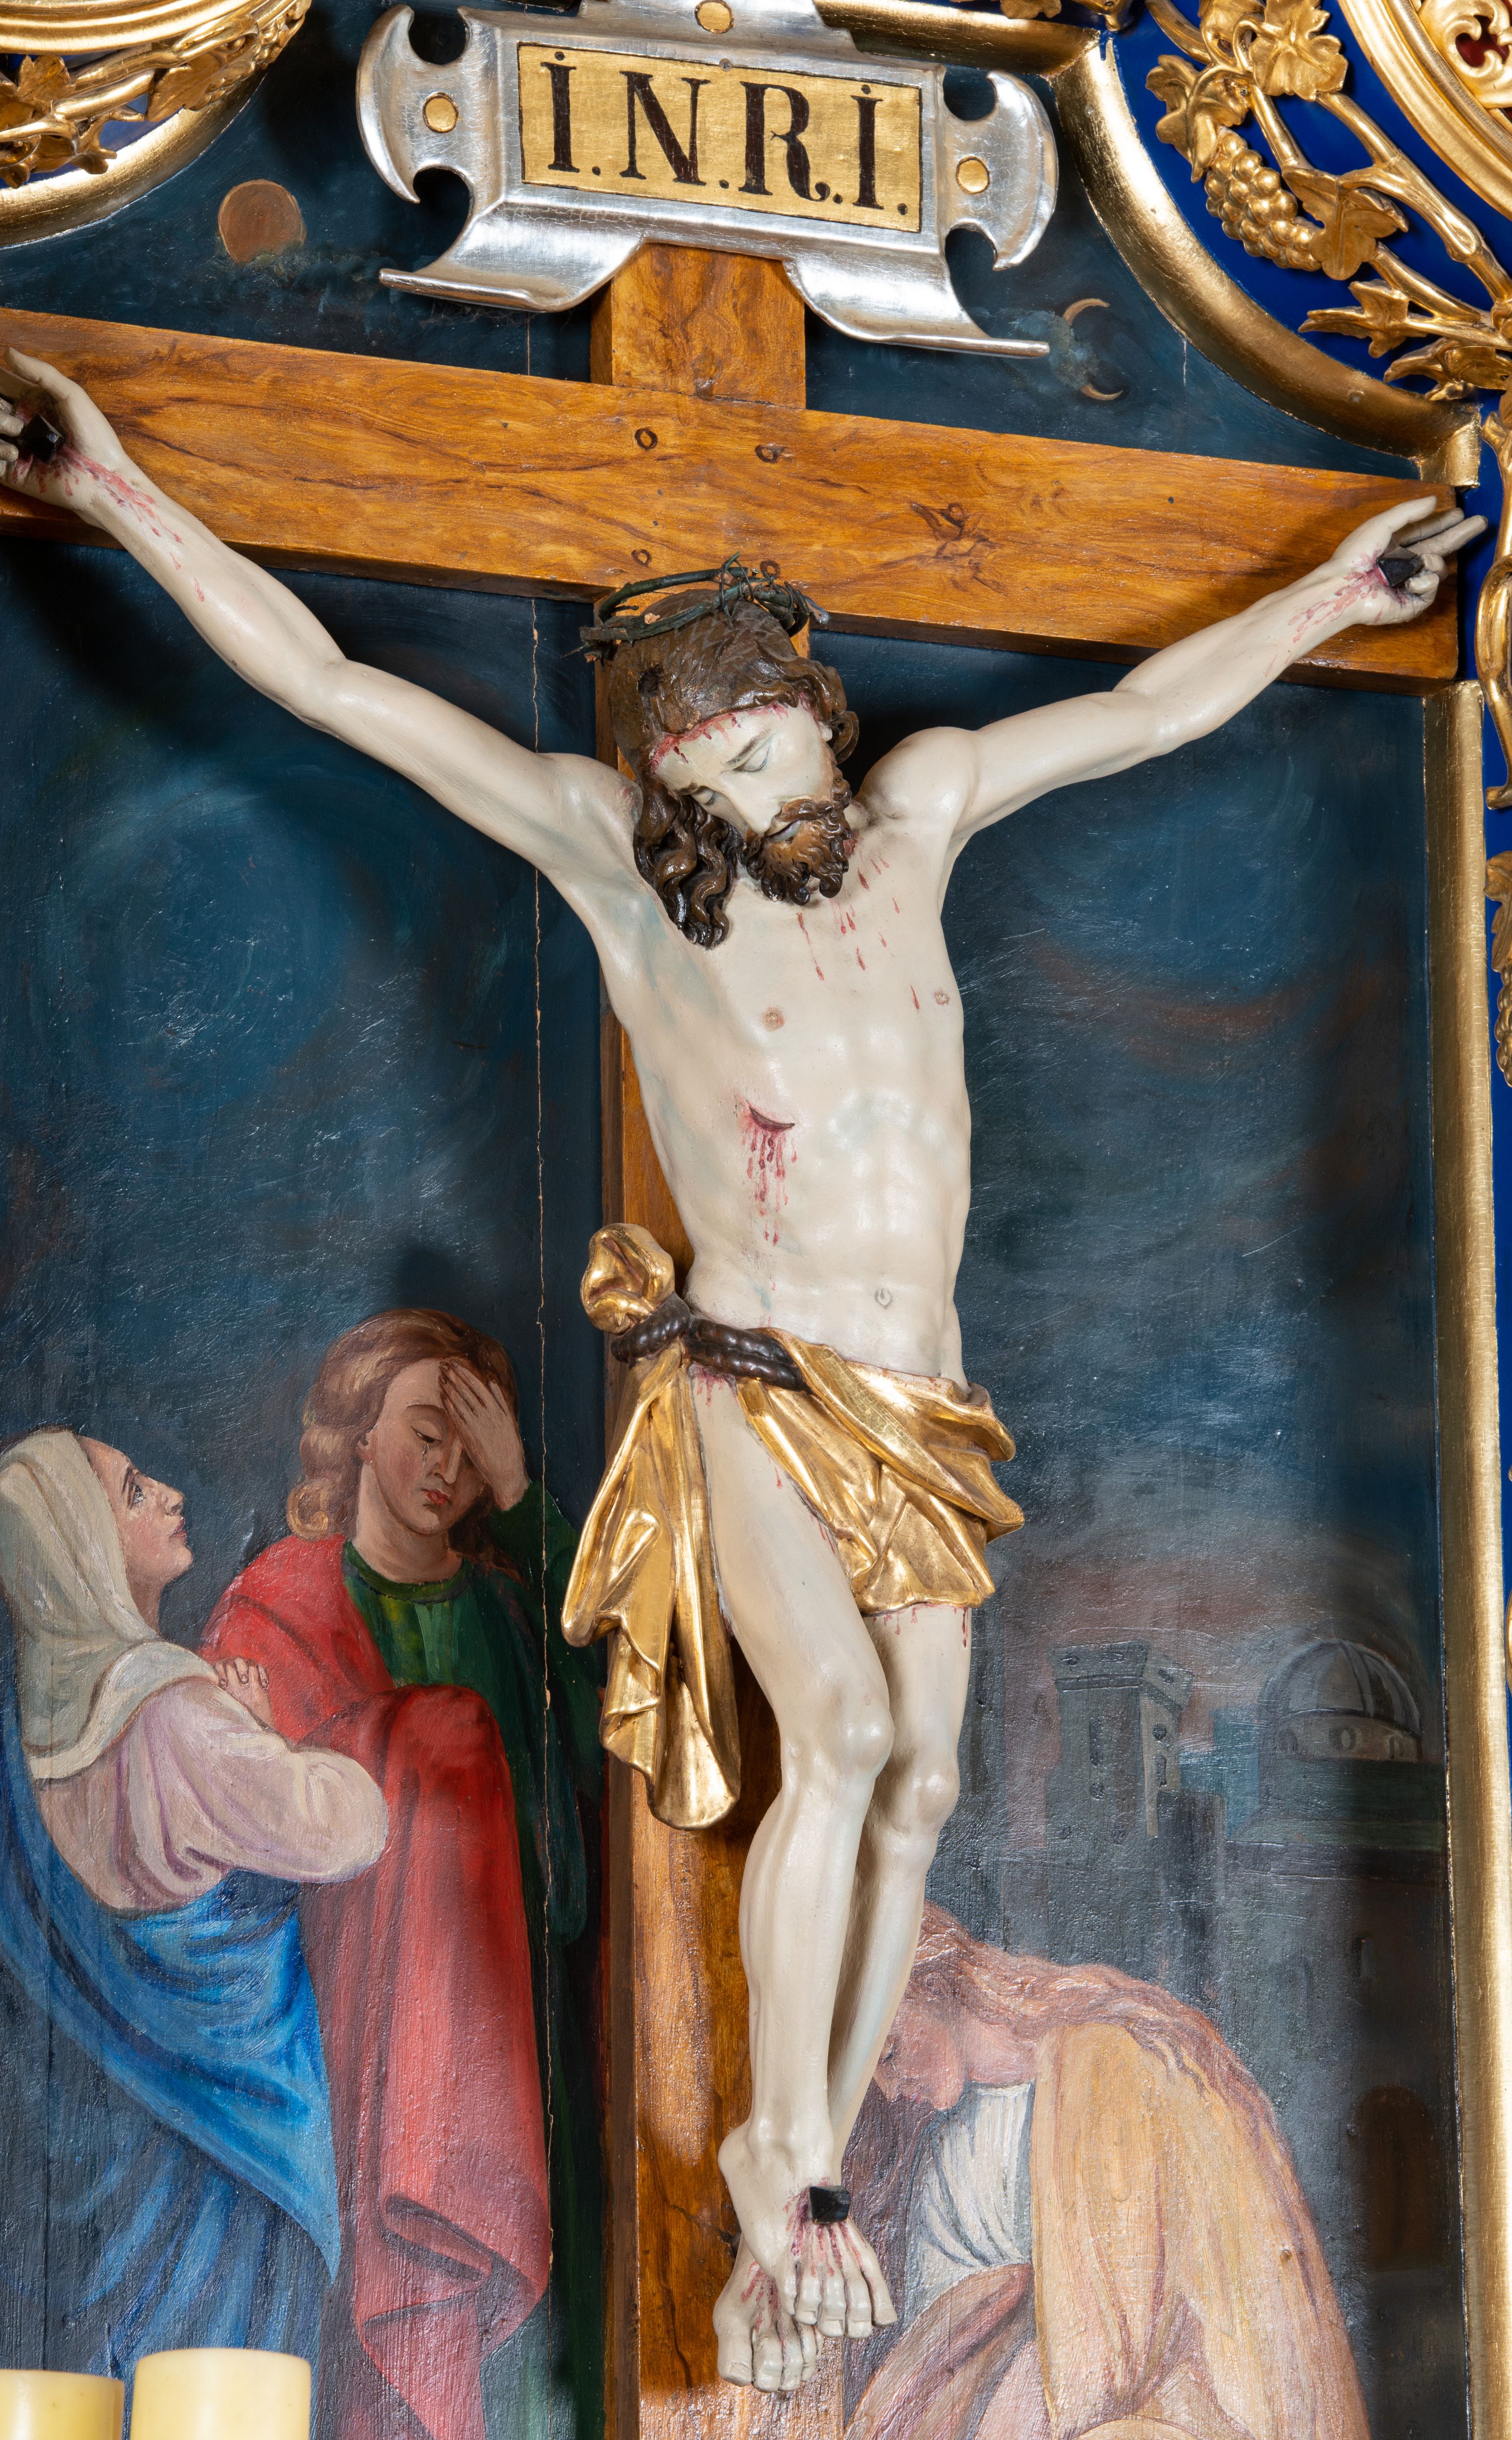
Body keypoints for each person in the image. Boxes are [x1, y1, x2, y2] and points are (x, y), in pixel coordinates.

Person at [0, 349, 1482, 2381]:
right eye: (702, 757)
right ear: (666, 771)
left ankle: (811, 2155)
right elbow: (343, 691)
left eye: (768, 741)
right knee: (847, 1739)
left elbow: (1147, 712)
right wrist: (120, 495)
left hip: (925, 1409)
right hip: (751, 1381)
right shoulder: (627, 881)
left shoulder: (921, 821)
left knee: (926, 1775)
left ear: (818, 726)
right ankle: (787, 2167)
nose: (741, 776)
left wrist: (1332, 599)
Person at [199, 1309, 601, 2440]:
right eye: (428, 1432)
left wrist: (524, 1500)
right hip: (356, 2038)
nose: (447, 1467)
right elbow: (224, 1840)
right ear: (359, 1434)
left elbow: (619, 1733)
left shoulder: (512, 1613)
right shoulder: (279, 1604)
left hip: (513, 2034)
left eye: (475, 1447)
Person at [0, 1427, 387, 2382]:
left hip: (117, 2175)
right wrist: (272, 1737)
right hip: (235, 2163)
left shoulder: (24, 1746)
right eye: (134, 1492)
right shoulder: (172, 1717)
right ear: (84, 1549)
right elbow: (351, 1827)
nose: (170, 1494)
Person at [837, 1904, 1369, 2440]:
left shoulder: (1116, 2064)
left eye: (890, 2053)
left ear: (932, 1988)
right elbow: (935, 2361)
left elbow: (1147, 2345)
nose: (891, 2088)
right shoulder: (945, 2156)